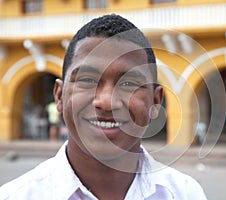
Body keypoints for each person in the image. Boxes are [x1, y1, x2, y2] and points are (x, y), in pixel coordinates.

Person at [0, 14, 207, 200]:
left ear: (155, 102)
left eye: (128, 84)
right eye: (88, 80)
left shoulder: (185, 194)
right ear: (60, 95)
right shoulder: (15, 196)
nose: (107, 102)